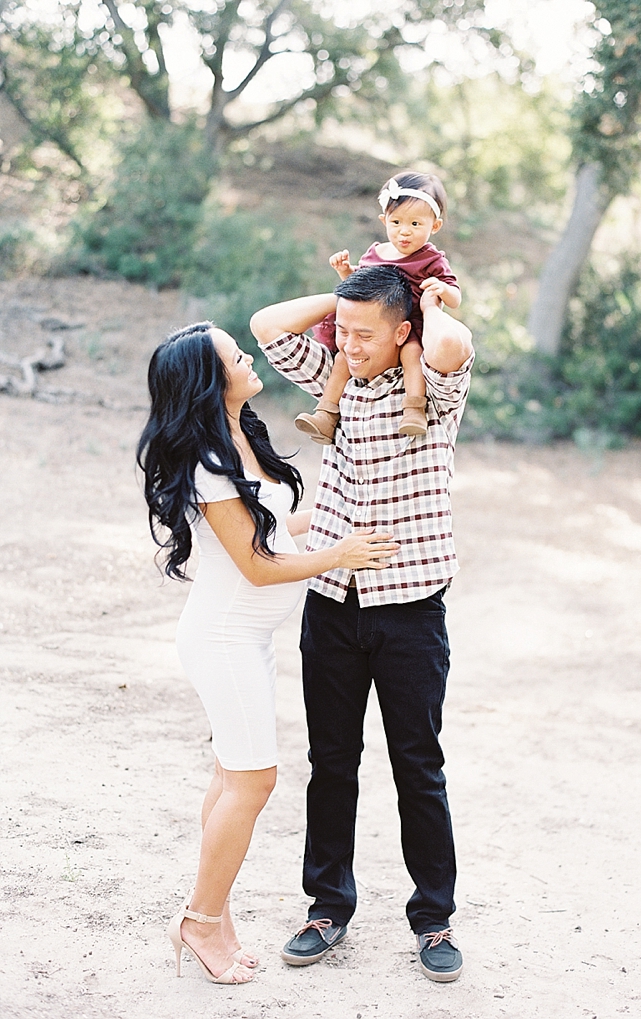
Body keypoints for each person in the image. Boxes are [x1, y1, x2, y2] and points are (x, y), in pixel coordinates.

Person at [136, 322, 399, 986]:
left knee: (231, 778)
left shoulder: (238, 438)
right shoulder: (206, 462)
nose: (248, 358)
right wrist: (339, 555)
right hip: (223, 639)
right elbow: (257, 565)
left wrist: (343, 518)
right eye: (235, 355)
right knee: (253, 781)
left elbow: (276, 526)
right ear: (211, 380)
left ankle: (213, 916)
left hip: (246, 640)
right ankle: (199, 920)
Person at [250, 264, 474, 983]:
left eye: (366, 335)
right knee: (331, 762)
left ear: (404, 331)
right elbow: (266, 326)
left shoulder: (430, 392)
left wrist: (421, 295)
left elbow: (451, 348)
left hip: (411, 609)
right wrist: (350, 297)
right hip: (332, 602)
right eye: (342, 332)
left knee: (419, 766)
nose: (349, 344)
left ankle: (433, 918)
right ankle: (326, 907)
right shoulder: (336, 377)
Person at [294, 170, 461, 443]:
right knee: (342, 358)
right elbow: (361, 291)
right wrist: (345, 271)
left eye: (415, 224)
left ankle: (414, 409)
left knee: (412, 353)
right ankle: (325, 414)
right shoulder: (375, 253)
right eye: (396, 222)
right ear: (384, 220)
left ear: (435, 226)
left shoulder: (431, 259)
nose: (404, 231)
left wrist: (442, 290)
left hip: (411, 328)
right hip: (373, 330)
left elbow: (455, 296)